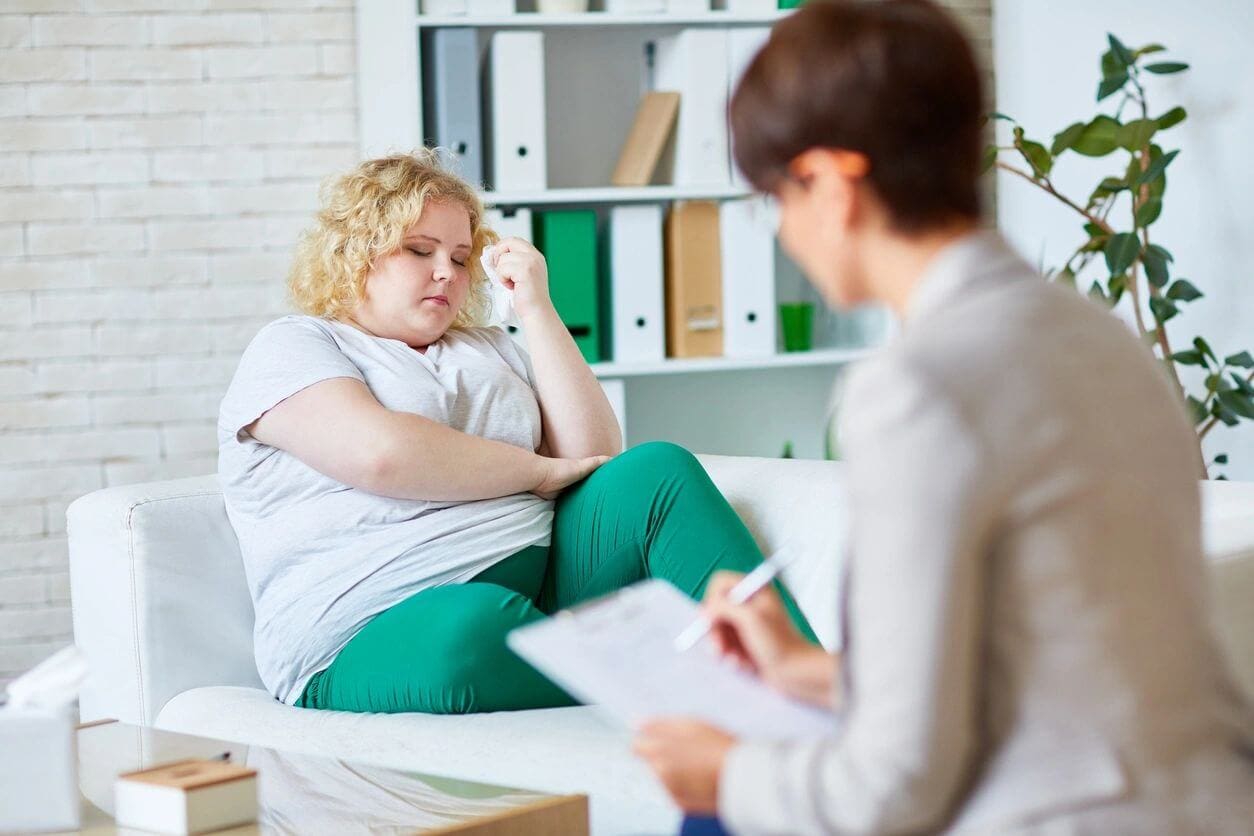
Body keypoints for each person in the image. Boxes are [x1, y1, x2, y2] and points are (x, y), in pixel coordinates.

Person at [632, 0, 1254, 832]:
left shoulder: (917, 387)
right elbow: (1044, 672)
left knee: (710, 818)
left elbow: (889, 791)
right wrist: (806, 670)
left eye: (775, 199)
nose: (781, 234)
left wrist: (726, 773)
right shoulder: (1106, 339)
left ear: (830, 182)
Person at [216, 150, 817, 715]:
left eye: (458, 256)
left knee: (657, 470)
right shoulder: (298, 344)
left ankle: (809, 676)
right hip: (368, 625)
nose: (445, 273)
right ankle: (681, 671)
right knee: (468, 630)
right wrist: (538, 472)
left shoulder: (488, 346)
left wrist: (536, 309)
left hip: (542, 581)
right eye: (419, 251)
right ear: (356, 253)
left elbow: (595, 455)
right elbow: (380, 454)